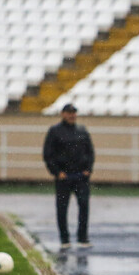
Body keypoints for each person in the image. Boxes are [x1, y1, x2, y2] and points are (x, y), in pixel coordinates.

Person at [43, 103, 95, 249]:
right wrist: (57, 172)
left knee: (84, 206)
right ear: (63, 114)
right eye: (69, 112)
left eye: (74, 112)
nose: (72, 115)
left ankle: (82, 238)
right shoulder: (55, 131)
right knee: (62, 208)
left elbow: (90, 152)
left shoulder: (82, 130)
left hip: (81, 177)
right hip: (64, 177)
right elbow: (48, 154)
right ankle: (64, 239)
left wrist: (88, 170)